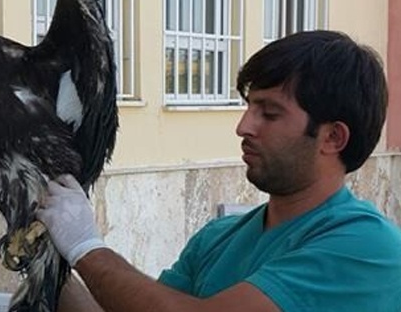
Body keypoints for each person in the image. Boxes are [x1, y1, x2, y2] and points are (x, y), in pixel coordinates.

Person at [37, 30, 401, 312]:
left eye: (269, 113)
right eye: (249, 108)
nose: (244, 127)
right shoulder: (220, 237)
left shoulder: (368, 247)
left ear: (333, 137)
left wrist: (86, 246)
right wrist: (52, 267)